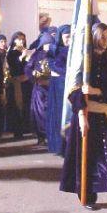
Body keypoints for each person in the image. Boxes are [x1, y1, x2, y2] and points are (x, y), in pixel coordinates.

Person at [60, 23, 107, 213]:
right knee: (87, 157)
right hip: (86, 115)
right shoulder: (83, 63)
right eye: (101, 36)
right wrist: (81, 115)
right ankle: (87, 196)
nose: (105, 40)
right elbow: (73, 90)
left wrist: (96, 90)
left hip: (106, 114)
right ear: (93, 37)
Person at [25, 32, 53, 145]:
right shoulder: (36, 55)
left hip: (52, 88)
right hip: (40, 89)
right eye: (47, 44)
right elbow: (27, 69)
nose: (49, 46)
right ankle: (41, 136)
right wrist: (33, 75)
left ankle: (51, 136)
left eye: (51, 44)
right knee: (39, 112)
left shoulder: (55, 54)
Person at [47, 24, 70, 155]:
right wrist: (69, 72)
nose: (69, 39)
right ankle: (60, 146)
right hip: (59, 86)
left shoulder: (75, 49)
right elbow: (54, 65)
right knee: (60, 114)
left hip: (69, 84)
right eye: (67, 37)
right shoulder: (54, 49)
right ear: (61, 37)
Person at [6, 31, 32, 138]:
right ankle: (18, 130)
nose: (22, 41)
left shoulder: (25, 50)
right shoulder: (12, 52)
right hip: (17, 82)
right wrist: (22, 57)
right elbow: (14, 66)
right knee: (17, 106)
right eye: (19, 39)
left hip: (26, 82)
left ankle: (26, 128)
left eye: (23, 39)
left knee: (26, 104)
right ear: (14, 40)